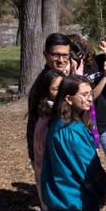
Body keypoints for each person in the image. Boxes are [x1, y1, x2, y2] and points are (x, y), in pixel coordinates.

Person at [41, 75, 106, 211]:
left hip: (58, 201)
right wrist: (102, 194)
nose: (89, 98)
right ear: (68, 99)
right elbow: (89, 171)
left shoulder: (56, 124)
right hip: (74, 204)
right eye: (84, 95)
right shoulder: (72, 131)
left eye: (90, 94)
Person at [68, 34, 106, 164]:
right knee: (91, 162)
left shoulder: (99, 61)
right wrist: (104, 78)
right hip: (86, 123)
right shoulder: (73, 73)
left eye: (80, 49)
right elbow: (89, 97)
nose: (79, 55)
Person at [31, 69, 65, 211]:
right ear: (46, 92)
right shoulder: (49, 122)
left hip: (49, 184)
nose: (60, 92)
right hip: (51, 185)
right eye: (55, 89)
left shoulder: (51, 116)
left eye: (63, 87)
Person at [27, 33, 72, 169]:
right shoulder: (49, 82)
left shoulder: (54, 76)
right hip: (49, 150)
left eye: (65, 55)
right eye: (56, 55)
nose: (61, 60)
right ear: (45, 54)